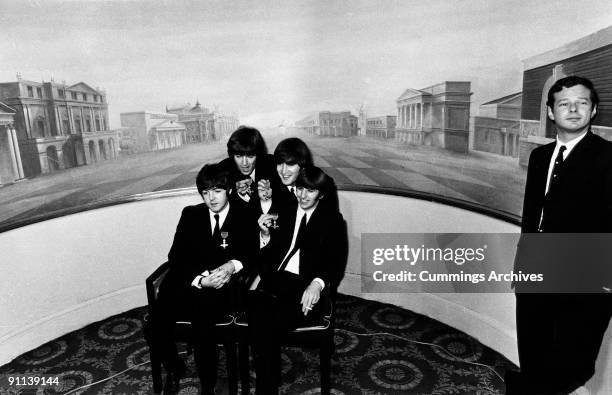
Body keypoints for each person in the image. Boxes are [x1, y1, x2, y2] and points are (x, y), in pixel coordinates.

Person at [507, 76, 612, 395]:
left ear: (593, 110)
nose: (574, 109)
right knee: (533, 353)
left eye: (582, 102)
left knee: (569, 366)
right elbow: (532, 217)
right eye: (564, 103)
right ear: (551, 112)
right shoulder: (540, 158)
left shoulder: (608, 158)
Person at [152, 163, 257, 395]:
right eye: (206, 192)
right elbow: (176, 257)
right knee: (155, 322)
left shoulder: (245, 214)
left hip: (222, 288)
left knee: (202, 321)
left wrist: (232, 266)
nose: (211, 198)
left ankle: (208, 383)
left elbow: (252, 254)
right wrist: (200, 279)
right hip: (190, 282)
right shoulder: (191, 214)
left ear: (228, 190)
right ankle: (174, 368)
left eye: (217, 191)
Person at [248, 166, 347, 395]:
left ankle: (266, 387)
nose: (302, 195)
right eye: (300, 188)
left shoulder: (332, 220)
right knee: (259, 310)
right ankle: (268, 383)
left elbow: (335, 263)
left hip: (304, 286)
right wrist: (264, 236)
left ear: (321, 194)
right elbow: (270, 254)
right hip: (275, 280)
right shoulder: (287, 210)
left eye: (310, 191)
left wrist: (317, 283)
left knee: (261, 317)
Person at [218, 126, 279, 210]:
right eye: (238, 156)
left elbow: (285, 203)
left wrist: (267, 198)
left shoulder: (273, 165)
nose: (244, 163)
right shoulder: (223, 170)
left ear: (258, 155)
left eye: (250, 156)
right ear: (232, 155)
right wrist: (236, 194)